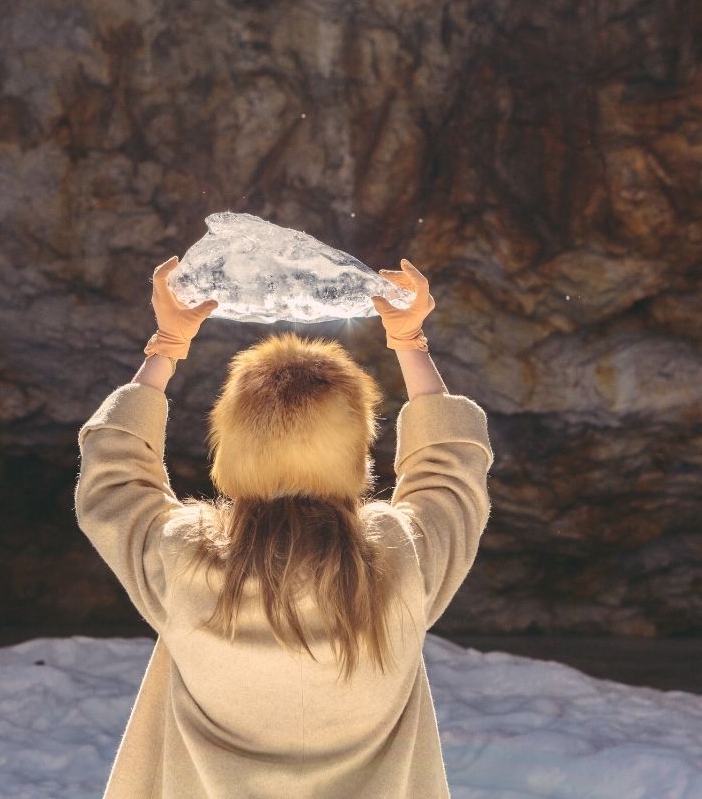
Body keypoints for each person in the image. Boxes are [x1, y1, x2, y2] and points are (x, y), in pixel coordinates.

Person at [74, 255, 495, 798]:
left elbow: (112, 475)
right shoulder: (401, 558)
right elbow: (451, 468)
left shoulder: (184, 561)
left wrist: (165, 346)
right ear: (355, 454)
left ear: (232, 449)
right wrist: (411, 341)